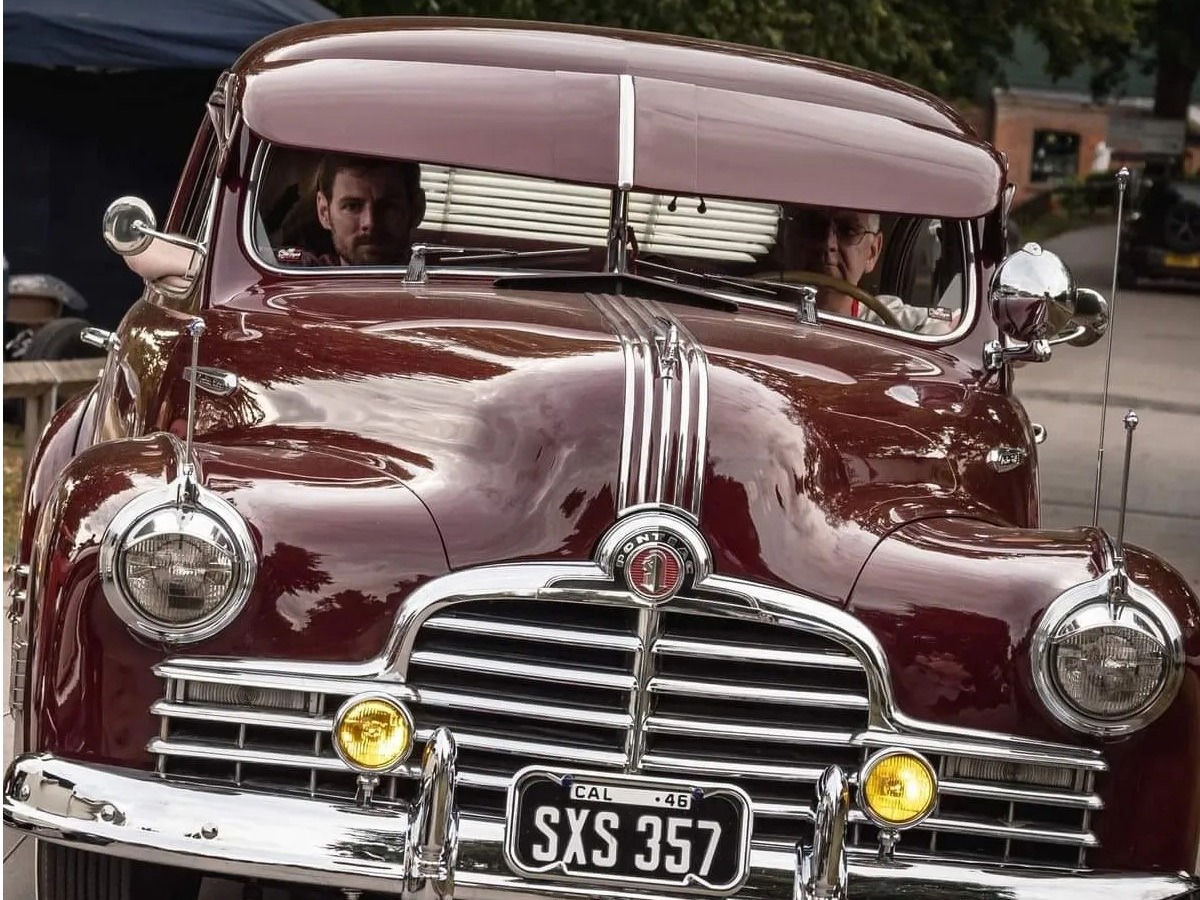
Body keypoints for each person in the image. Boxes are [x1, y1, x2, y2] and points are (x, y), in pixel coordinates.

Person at [775, 205, 960, 335]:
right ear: (785, 237)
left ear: (873, 252)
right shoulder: (751, 307)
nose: (828, 244)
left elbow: (950, 325)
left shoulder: (883, 320)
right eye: (812, 226)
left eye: (848, 231)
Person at [275, 152, 426, 267]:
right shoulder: (297, 278)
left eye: (388, 207)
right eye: (352, 206)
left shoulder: (443, 284)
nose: (370, 223)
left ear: (417, 210)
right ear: (324, 213)